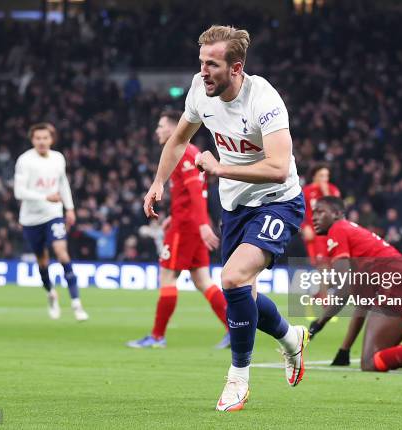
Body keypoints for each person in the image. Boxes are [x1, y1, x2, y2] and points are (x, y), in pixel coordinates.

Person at [143, 26, 309, 412]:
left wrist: (220, 168)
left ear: (236, 68)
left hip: (277, 202)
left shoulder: (264, 100)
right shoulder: (200, 90)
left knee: (232, 278)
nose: (203, 71)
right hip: (234, 206)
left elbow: (279, 168)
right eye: (201, 62)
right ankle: (290, 339)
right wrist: (157, 183)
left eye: (212, 64)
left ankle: (238, 378)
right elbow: (180, 139)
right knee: (243, 294)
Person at [308, 196, 402, 376]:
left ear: (338, 214)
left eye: (320, 211)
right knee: (381, 357)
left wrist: (318, 324)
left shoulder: (338, 229)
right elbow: (361, 306)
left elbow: (344, 288)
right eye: (313, 213)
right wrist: (344, 350)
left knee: (370, 362)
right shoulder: (357, 241)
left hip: (398, 285)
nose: (315, 217)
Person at [128, 110, 229, 349]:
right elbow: (188, 193)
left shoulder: (184, 152)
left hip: (186, 227)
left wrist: (203, 224)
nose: (157, 130)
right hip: (186, 221)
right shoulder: (188, 153)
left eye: (161, 126)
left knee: (167, 277)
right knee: (202, 279)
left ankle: (156, 336)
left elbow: (196, 193)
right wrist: (173, 215)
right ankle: (234, 329)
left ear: (174, 128)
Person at [14, 123, 89, 321]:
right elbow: (19, 191)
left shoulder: (58, 158)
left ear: (51, 139)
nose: (41, 141)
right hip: (30, 219)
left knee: (62, 253)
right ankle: (51, 294)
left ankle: (76, 304)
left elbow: (62, 183)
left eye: (45, 138)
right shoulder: (25, 161)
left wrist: (70, 208)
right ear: (32, 140)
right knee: (42, 261)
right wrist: (45, 196)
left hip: (53, 214)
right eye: (37, 138)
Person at [301, 164, 341, 265]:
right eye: (321, 175)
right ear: (314, 176)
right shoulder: (306, 191)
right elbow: (300, 211)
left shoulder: (333, 190)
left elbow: (337, 210)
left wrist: (325, 193)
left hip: (331, 233)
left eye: (326, 176)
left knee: (334, 263)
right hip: (314, 234)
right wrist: (304, 227)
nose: (325, 179)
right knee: (319, 265)